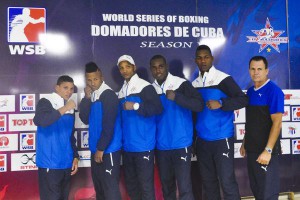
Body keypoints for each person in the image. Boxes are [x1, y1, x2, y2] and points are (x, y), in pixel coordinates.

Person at [192, 45, 248, 200]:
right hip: (203, 142)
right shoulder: (194, 84)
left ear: (212, 58)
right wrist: (193, 140)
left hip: (222, 139)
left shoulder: (223, 79)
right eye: (199, 57)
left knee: (227, 182)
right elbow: (194, 115)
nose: (203, 60)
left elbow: (243, 99)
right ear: (195, 60)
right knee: (209, 183)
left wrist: (222, 103)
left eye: (206, 57)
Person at [149, 55, 204, 200]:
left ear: (166, 66)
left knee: (185, 188)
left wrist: (177, 97)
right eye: (154, 67)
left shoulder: (181, 84)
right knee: (167, 188)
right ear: (151, 70)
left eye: (160, 66)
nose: (158, 70)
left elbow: (199, 105)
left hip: (181, 144)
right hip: (161, 147)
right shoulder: (150, 89)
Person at [117, 55, 163, 200]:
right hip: (128, 147)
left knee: (146, 187)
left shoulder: (145, 86)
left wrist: (136, 105)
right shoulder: (121, 91)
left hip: (143, 145)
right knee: (132, 186)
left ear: (134, 67)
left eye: (128, 67)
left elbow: (157, 108)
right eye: (122, 68)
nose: (125, 70)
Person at [240, 56, 284, 200]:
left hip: (266, 152)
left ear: (267, 71)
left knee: (268, 194)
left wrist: (268, 150)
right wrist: (245, 142)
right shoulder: (251, 91)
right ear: (249, 70)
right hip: (252, 150)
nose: (256, 72)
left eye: (259, 69)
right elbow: (252, 121)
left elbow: (277, 123)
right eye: (253, 69)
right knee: (257, 191)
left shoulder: (274, 91)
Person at [79, 62, 122, 200]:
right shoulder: (91, 95)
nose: (93, 83)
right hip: (95, 149)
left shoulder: (108, 95)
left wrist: (101, 148)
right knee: (100, 189)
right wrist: (86, 98)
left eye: (95, 79)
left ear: (102, 77)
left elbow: (109, 125)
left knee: (110, 190)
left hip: (107, 150)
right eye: (89, 80)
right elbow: (84, 118)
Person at [33, 75, 79, 200]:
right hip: (50, 164)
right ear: (57, 87)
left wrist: (75, 156)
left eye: (71, 89)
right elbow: (41, 120)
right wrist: (65, 108)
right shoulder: (45, 101)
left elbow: (70, 135)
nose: (69, 92)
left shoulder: (69, 108)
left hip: (66, 164)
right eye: (65, 88)